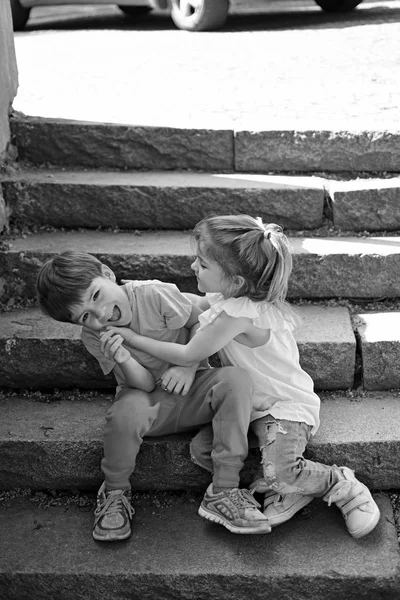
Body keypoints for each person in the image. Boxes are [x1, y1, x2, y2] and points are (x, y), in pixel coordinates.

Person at [112, 214, 381, 539]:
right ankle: (287, 484)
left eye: (202, 263)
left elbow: (189, 352)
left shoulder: (241, 315)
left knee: (281, 469)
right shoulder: (228, 300)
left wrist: (131, 338)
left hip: (282, 409)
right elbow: (190, 309)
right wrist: (142, 293)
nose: (193, 267)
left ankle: (340, 485)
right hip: (247, 409)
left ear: (236, 281)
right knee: (202, 452)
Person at [35, 250, 272, 542]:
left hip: (193, 385)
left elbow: (203, 323)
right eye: (85, 316)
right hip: (148, 400)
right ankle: (114, 491)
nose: (100, 314)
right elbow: (144, 385)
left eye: (96, 296)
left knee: (237, 381)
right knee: (124, 414)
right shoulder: (94, 337)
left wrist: (186, 366)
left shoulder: (154, 294)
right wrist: (123, 358)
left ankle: (223, 490)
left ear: (108, 274)